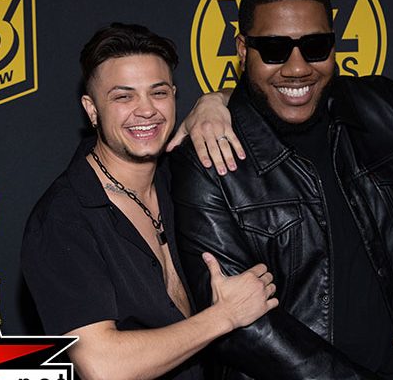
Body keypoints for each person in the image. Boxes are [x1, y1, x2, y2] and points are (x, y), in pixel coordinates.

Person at [169, 0, 393, 379]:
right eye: (273, 49)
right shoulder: (205, 158)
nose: (298, 67)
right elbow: (242, 328)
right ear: (241, 49)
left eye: (316, 46)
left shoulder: (388, 111)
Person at [21, 23, 278, 380]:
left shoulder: (183, 175)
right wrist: (225, 315)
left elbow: (272, 99)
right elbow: (102, 366)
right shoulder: (63, 219)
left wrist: (212, 102)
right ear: (92, 110)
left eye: (158, 93)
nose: (146, 110)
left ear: (174, 95)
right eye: (123, 97)